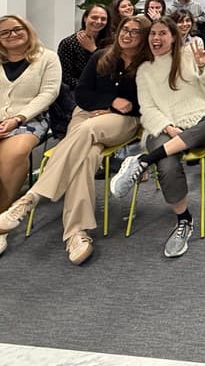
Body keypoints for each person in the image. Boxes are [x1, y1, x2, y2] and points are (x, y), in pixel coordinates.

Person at [0, 15, 150, 263]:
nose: (127, 35)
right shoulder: (101, 56)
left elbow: (147, 103)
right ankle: (76, 233)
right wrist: (108, 101)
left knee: (86, 130)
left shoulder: (150, 65)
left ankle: (30, 199)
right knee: (85, 157)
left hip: (124, 120)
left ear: (144, 37)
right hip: (86, 113)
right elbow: (81, 93)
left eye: (135, 32)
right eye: (125, 29)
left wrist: (113, 107)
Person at [110, 17, 205, 259]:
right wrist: (168, 127)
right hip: (164, 127)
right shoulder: (145, 70)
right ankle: (184, 220)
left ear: (173, 37)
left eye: (162, 33)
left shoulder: (189, 56)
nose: (156, 38)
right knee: (167, 163)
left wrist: (204, 66)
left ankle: (144, 160)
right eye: (153, 34)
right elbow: (148, 109)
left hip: (200, 120)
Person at [0, 15, 61, 256]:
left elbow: (49, 93)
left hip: (30, 119)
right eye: (5, 32)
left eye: (17, 29)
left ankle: (2, 220)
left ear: (27, 30)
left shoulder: (47, 58)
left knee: (14, 154)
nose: (12, 35)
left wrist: (17, 118)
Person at [57, 5, 111, 92]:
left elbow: (110, 69)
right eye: (94, 17)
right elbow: (65, 77)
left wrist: (93, 50)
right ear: (85, 18)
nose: (98, 21)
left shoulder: (111, 42)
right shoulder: (69, 43)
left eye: (103, 19)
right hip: (76, 91)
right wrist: (88, 87)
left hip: (104, 89)